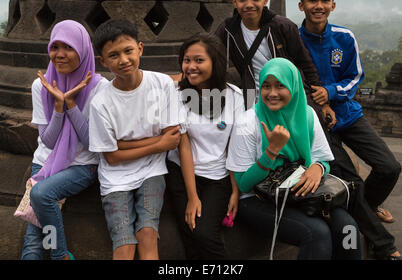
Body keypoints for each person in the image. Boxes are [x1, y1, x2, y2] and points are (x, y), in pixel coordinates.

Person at [298, 0, 401, 260]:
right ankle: (383, 245)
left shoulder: (344, 37)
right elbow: (296, 86)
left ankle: (365, 207)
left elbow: (354, 77)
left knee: (389, 167)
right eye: (312, 0)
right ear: (301, 5)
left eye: (324, 0)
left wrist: (330, 93)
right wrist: (319, 104)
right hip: (318, 124)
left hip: (348, 114)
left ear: (333, 5)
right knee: (352, 181)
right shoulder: (294, 41)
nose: (318, 5)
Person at [226, 57, 362, 260]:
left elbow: (322, 159)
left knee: (348, 228)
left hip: (299, 192)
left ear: (294, 86)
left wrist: (317, 168)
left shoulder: (306, 114)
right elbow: (244, 184)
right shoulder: (248, 122)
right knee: (316, 234)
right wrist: (271, 151)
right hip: (258, 198)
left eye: (280, 86)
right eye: (266, 86)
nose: (272, 93)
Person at [89, 19, 185, 260]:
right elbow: (111, 157)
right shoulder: (101, 102)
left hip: (152, 171)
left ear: (140, 48)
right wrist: (156, 144)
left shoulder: (162, 84)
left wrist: (124, 144)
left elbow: (172, 137)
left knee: (147, 233)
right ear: (102, 61)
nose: (123, 60)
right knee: (123, 243)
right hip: (115, 179)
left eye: (128, 50)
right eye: (113, 55)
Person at [21, 20, 109, 260]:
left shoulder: (100, 88)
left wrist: (72, 104)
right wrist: (59, 106)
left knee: (41, 195)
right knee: (32, 244)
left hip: (81, 165)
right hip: (46, 161)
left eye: (68, 47)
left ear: (82, 49)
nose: (59, 55)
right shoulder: (41, 85)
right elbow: (48, 141)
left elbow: (93, 142)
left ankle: (60, 256)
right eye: (54, 47)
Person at [213, 0, 335, 129]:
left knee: (301, 147)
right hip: (255, 101)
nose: (249, 4)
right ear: (234, 1)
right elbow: (209, 56)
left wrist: (323, 104)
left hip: (291, 99)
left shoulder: (282, 26)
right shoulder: (228, 30)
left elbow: (306, 65)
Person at [166, 33, 244, 259]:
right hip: (182, 173)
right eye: (186, 60)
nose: (191, 66)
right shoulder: (177, 95)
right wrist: (192, 197)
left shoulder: (235, 97)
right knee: (190, 234)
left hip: (218, 176)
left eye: (199, 60)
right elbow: (184, 146)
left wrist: (235, 191)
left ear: (215, 62)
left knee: (204, 233)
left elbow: (233, 148)